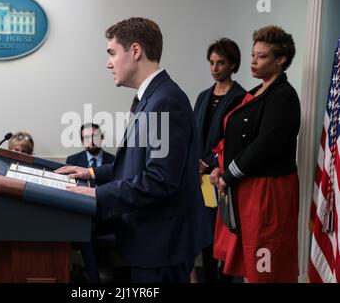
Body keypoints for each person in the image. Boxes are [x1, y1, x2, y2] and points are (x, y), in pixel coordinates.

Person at [56, 17, 211, 283]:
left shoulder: (165, 101)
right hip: (154, 240)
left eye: (112, 53)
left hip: (163, 243)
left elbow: (159, 179)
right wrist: (91, 173)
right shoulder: (152, 97)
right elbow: (137, 165)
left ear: (136, 51)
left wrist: (95, 195)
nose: (108, 63)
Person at [210, 26, 300, 282]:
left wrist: (228, 175)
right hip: (247, 189)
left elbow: (264, 145)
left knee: (266, 263)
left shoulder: (283, 96)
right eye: (252, 54)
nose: (253, 61)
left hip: (269, 192)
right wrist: (219, 166)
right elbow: (233, 138)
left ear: (280, 59)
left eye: (261, 56)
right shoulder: (255, 92)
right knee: (251, 264)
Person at [193, 38, 246, 282]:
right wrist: (197, 161)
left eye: (221, 63)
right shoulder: (203, 96)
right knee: (205, 234)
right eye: (212, 63)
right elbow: (193, 134)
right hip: (201, 178)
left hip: (224, 177)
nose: (215, 68)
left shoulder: (242, 97)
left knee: (224, 235)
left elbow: (237, 140)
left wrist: (212, 161)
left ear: (233, 64)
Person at [66, 123, 115, 283]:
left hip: (108, 214)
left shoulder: (114, 161)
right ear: (82, 141)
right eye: (87, 137)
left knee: (87, 227)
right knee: (86, 226)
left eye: (95, 137)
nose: (92, 141)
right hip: (82, 212)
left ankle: (93, 276)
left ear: (102, 138)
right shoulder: (72, 161)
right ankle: (94, 276)